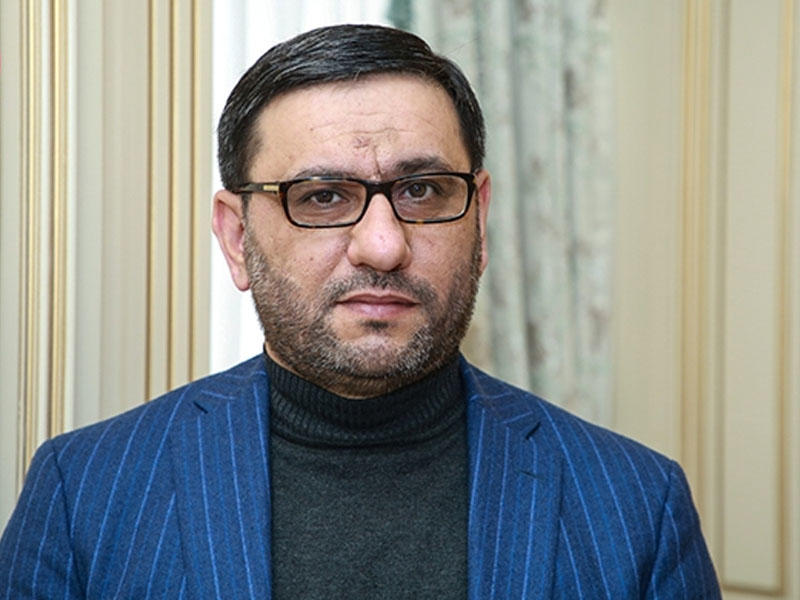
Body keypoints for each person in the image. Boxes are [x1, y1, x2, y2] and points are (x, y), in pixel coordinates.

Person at [0, 24, 720, 599]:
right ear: (237, 238)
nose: (383, 245)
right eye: (321, 197)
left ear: (480, 220)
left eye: (423, 191)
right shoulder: (84, 492)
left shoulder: (635, 503)